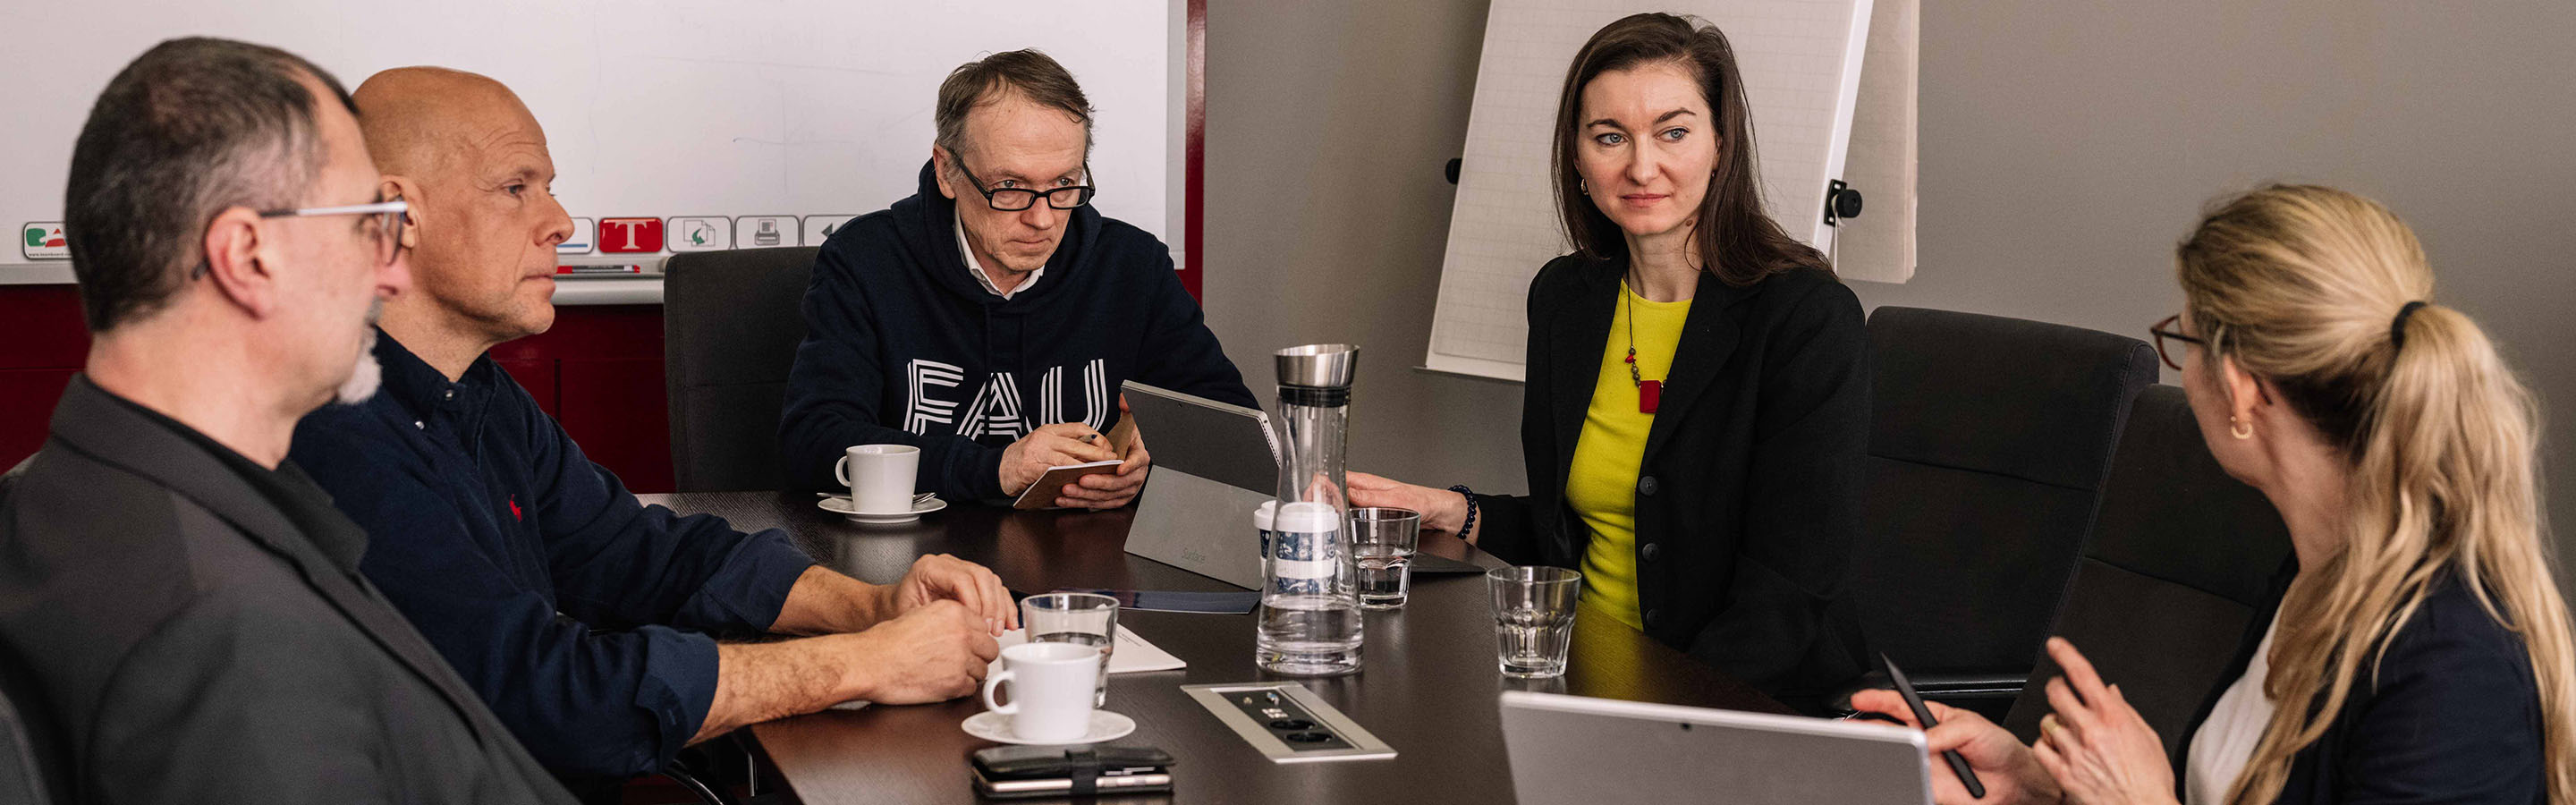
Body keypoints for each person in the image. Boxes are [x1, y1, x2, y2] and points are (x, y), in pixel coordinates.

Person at [287, 67, 1013, 797]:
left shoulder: (479, 393)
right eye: (516, 188)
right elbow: (551, 696)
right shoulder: (335, 434)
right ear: (397, 214)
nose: (561, 221)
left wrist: (872, 607)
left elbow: (639, 554)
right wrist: (867, 663)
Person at [1854, 185, 2576, 805]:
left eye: (2184, 342)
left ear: (2241, 390)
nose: (2180, 366)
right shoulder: (2313, 573)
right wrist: (2037, 783)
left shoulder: (2451, 669)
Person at [0, 38, 575, 802]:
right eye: (366, 224)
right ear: (248, 256)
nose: (392, 269)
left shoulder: (87, 491)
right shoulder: (232, 640)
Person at [1347, 13, 1868, 699]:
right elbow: (1582, 530)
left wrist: (1653, 721)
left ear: (1720, 144)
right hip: (1582, 676)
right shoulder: (1567, 299)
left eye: (1673, 132)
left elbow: (1784, 601)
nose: (1641, 166)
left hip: (1735, 706)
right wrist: (1452, 511)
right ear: (1576, 155)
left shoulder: (1805, 318)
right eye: (1610, 137)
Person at [780, 49, 1256, 510]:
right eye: (1010, 187)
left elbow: (1234, 430)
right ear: (948, 172)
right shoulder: (865, 261)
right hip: (910, 571)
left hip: (1089, 576)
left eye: (1065, 185)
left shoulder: (1132, 266)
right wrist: (997, 468)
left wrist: (1153, 460)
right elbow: (813, 441)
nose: (1043, 219)